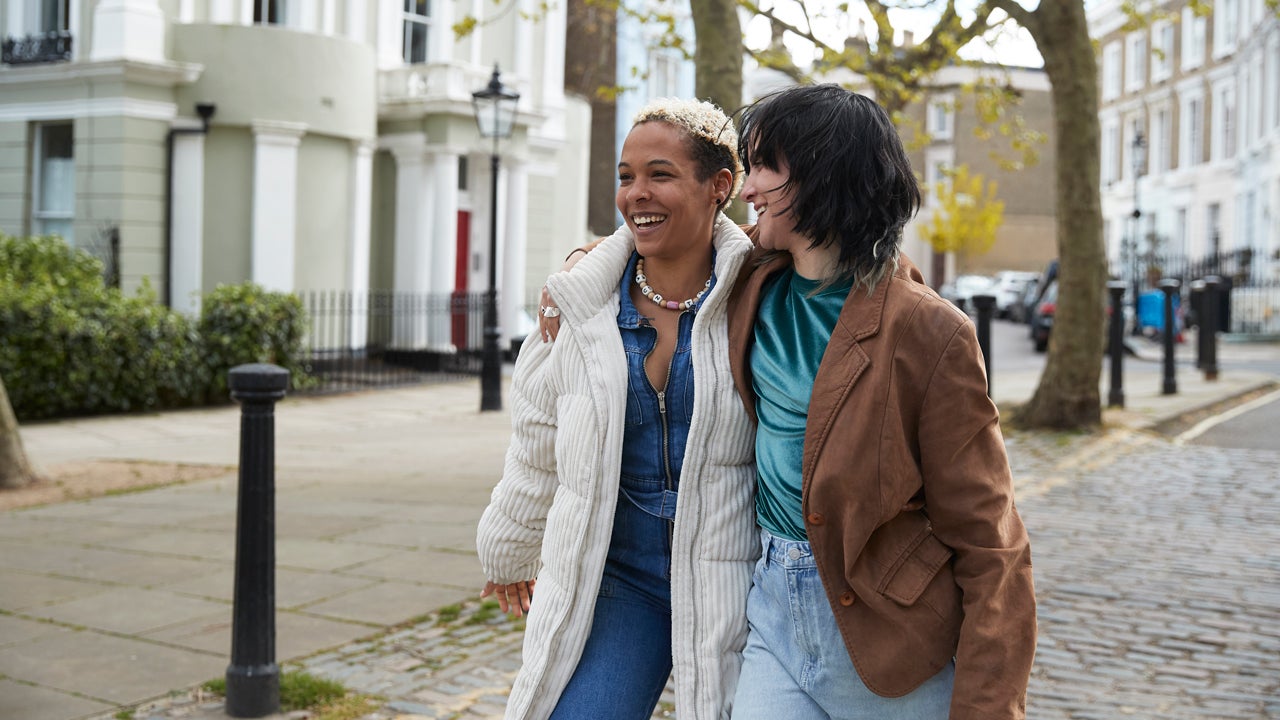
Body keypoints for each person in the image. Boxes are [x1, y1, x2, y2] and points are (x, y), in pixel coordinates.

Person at [541, 85, 1037, 719]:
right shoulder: (751, 275)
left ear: (821, 177)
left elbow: (991, 539)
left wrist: (990, 706)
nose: (746, 190)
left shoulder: (930, 333)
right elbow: (671, 235)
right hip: (772, 607)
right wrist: (588, 261)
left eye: (764, 170)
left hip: (891, 633)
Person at [475, 98, 759, 720]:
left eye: (660, 174)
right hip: (618, 576)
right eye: (626, 177)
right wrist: (508, 548)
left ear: (720, 186)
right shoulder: (581, 307)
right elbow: (538, 439)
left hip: (736, 575)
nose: (636, 194)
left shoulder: (763, 296)